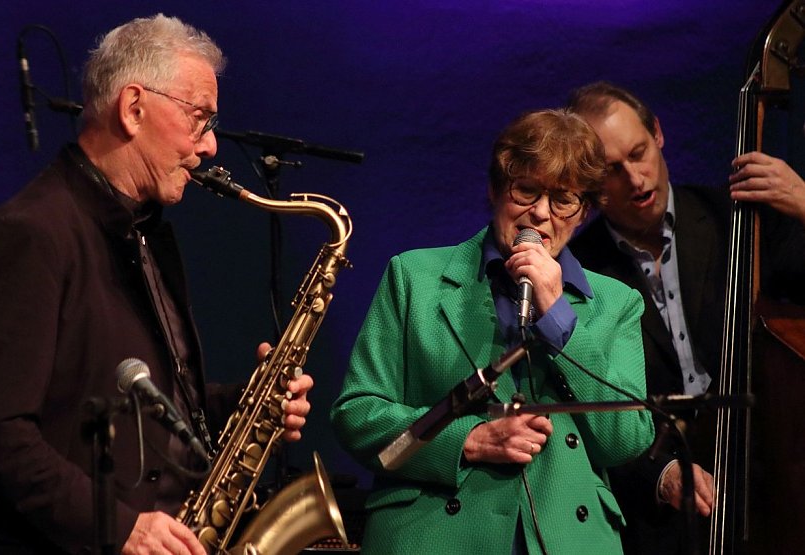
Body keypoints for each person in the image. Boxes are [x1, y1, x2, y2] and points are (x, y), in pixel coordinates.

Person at [0, 14, 313, 555]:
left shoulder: (147, 234)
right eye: (200, 118)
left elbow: (139, 407)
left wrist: (249, 402)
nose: (211, 147)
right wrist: (119, 525)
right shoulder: (34, 232)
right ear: (133, 108)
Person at [330, 109, 655, 554]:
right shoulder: (413, 277)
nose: (540, 214)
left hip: (566, 539)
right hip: (433, 534)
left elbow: (627, 441)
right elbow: (357, 415)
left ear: (583, 214)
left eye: (563, 200)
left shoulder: (616, 303)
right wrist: (467, 440)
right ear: (495, 189)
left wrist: (558, 315)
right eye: (526, 190)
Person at [566, 80, 805, 554]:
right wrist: (659, 474)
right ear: (589, 179)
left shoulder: (742, 218)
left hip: (778, 478)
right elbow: (584, 406)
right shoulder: (577, 268)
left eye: (638, 153)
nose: (636, 179)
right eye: (613, 170)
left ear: (658, 133)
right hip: (662, 515)